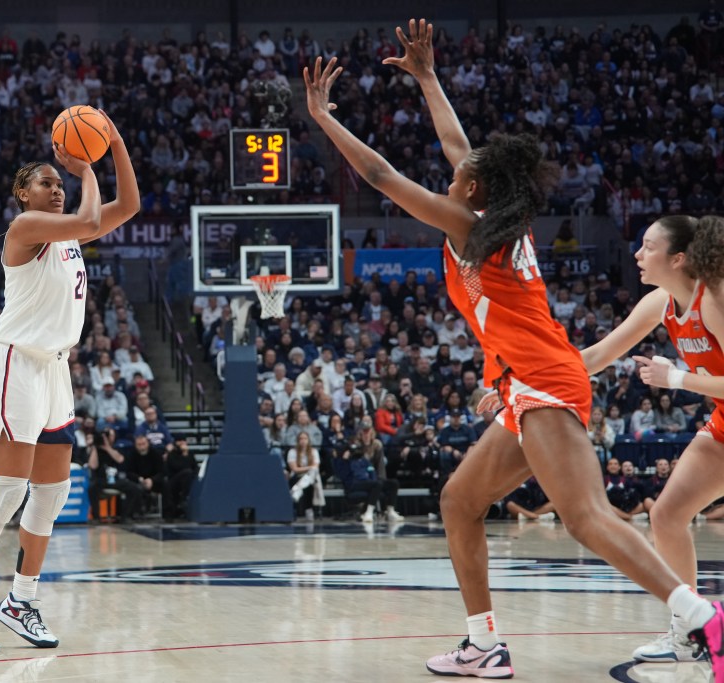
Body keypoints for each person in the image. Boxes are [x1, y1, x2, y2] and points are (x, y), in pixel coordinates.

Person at [305, 20, 724, 679]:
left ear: (474, 189)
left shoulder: (472, 229)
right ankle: (484, 644)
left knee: (585, 517)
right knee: (459, 499)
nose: (453, 166)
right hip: (525, 380)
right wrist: (429, 79)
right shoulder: (490, 214)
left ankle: (698, 615)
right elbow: (457, 143)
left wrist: (323, 120)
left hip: (545, 378)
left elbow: (382, 174)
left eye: (461, 172)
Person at [0, 110, 139, 653]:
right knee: (7, 491)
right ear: (22, 193)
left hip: (53, 368)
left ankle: (20, 600)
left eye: (58, 181)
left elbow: (131, 206)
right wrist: (86, 171)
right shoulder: (24, 229)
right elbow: (93, 218)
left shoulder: (71, 230)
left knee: (51, 493)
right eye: (46, 181)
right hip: (13, 364)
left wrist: (113, 144)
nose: (56, 187)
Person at [582, 214, 724, 663]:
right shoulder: (660, 302)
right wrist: (522, 379)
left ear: (678, 258)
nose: (637, 254)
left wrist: (678, 377)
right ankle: (690, 631)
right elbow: (599, 355)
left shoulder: (715, 299)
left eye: (648, 246)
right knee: (666, 517)